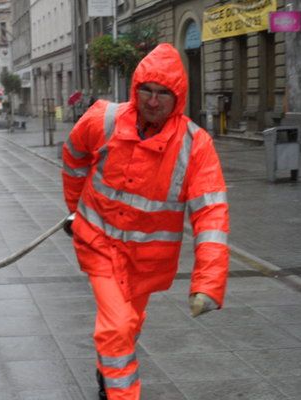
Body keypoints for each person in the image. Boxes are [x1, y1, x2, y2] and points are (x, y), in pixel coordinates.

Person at [62, 43, 229, 400]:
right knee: (118, 326)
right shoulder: (103, 119)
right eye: (146, 91)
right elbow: (74, 154)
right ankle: (120, 392)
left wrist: (208, 281)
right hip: (98, 242)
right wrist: (75, 209)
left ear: (178, 97)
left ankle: (107, 367)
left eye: (163, 94)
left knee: (129, 324)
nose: (152, 102)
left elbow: (210, 213)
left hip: (147, 261)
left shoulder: (195, 146)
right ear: (135, 88)